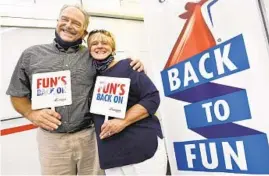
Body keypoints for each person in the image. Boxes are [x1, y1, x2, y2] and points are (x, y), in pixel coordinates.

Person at [6, 4, 144, 176]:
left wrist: (133, 64)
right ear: (57, 22)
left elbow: (117, 70)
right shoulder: (31, 55)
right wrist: (31, 113)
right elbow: (17, 94)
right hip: (52, 142)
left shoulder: (93, 55)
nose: (69, 25)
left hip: (90, 137)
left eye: (76, 23)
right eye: (65, 19)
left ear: (84, 33)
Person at [87, 29, 167, 175]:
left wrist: (122, 121)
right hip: (112, 156)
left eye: (104, 42)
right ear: (88, 49)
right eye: (94, 43)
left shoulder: (128, 66)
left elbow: (152, 97)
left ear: (113, 48)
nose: (99, 46)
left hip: (141, 149)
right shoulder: (91, 77)